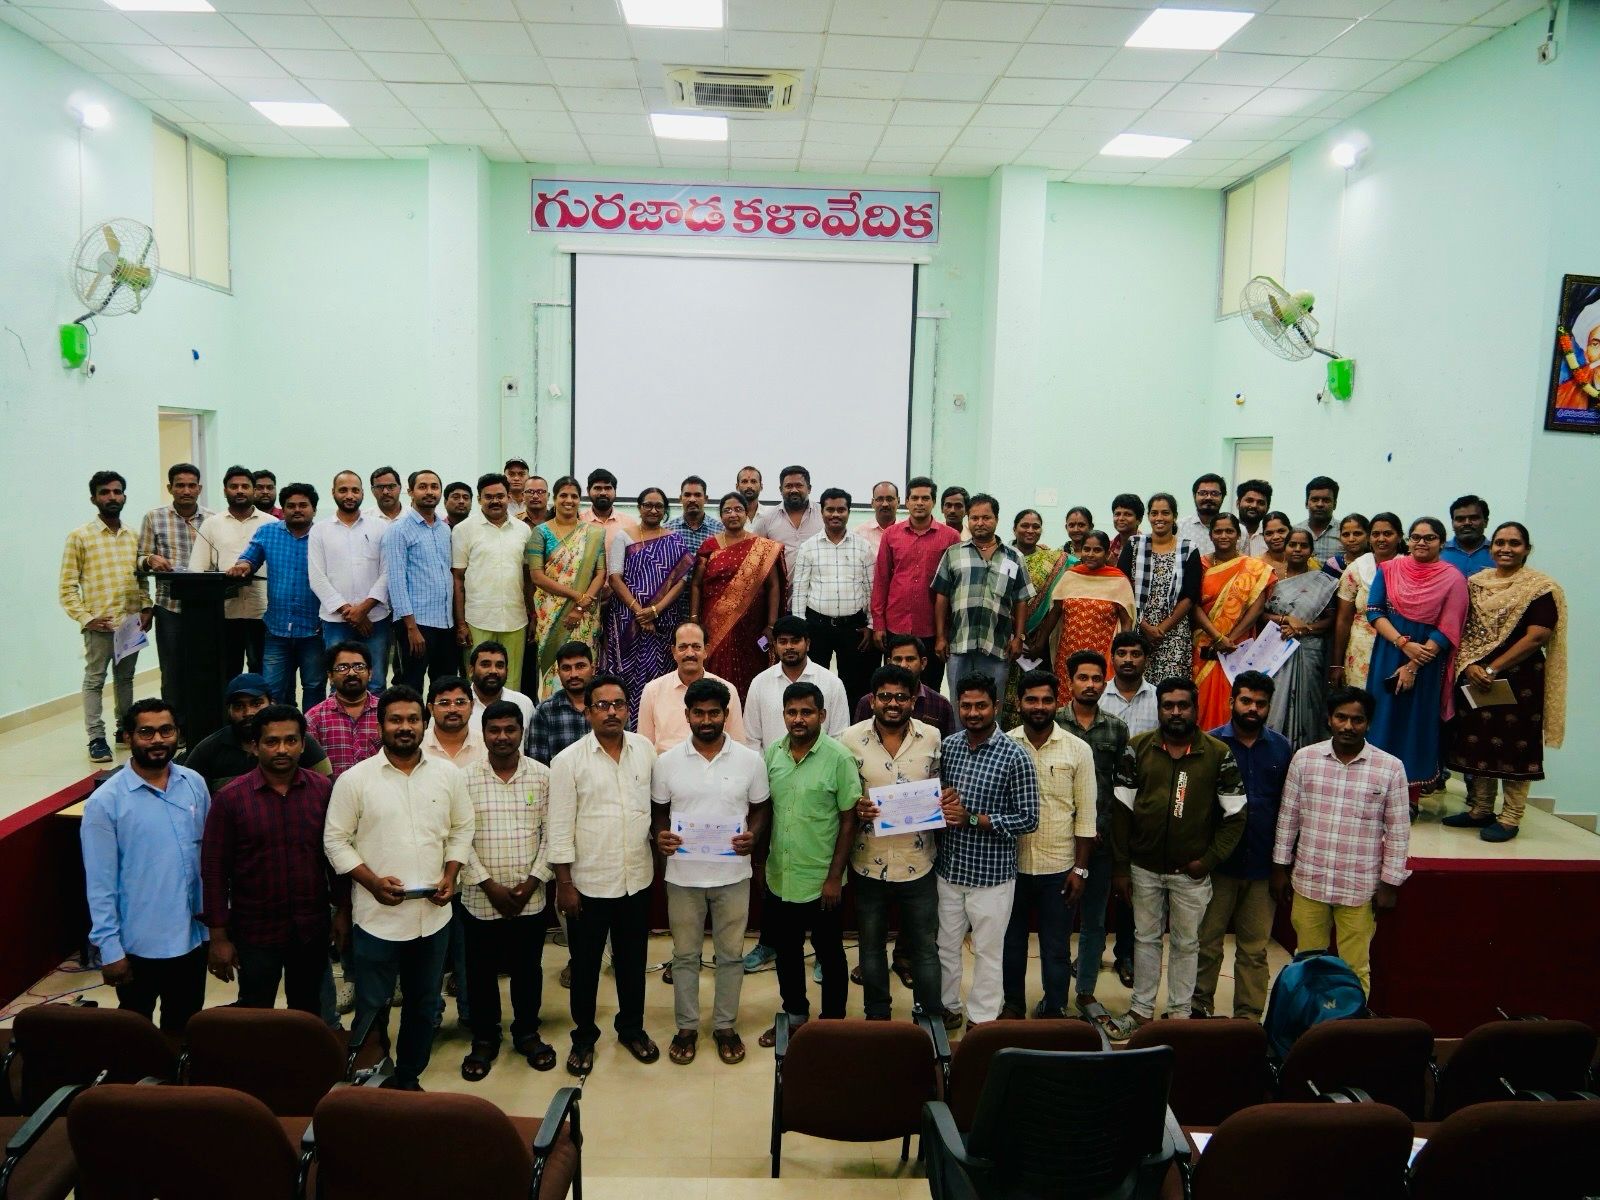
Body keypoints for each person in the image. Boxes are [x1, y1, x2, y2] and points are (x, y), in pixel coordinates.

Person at [325, 684, 474, 1090]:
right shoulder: (355, 780)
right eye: (395, 720)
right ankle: (370, 1079)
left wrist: (451, 874)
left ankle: (408, 1079)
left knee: (424, 1005)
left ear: (424, 724)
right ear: (380, 726)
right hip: (377, 920)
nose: (405, 727)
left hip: (433, 917)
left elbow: (462, 829)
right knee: (372, 1006)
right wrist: (372, 882)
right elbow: (335, 841)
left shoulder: (447, 776)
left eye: (412, 719)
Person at [1108, 677, 1245, 1039]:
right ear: (1159, 709)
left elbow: (1235, 815)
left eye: (1183, 705)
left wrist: (1209, 860)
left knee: (1187, 943)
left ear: (1195, 709)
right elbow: (1120, 811)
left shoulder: (1217, 754)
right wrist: (1121, 867)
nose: (1175, 712)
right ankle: (1140, 1011)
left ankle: (1180, 1016)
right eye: (1168, 705)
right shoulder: (1138, 748)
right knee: (1145, 938)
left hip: (1192, 872)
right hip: (1143, 868)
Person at [651, 677, 769, 1066]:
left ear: (726, 714)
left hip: (732, 876)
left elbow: (761, 808)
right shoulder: (666, 762)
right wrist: (661, 836)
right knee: (684, 955)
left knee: (730, 956)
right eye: (698, 713)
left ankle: (724, 1026)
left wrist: (753, 836)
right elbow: (659, 811)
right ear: (687, 715)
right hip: (683, 877)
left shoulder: (750, 760)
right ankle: (686, 1027)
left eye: (713, 713)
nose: (706, 720)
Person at [548, 674, 660, 1075]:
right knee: (585, 967)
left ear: (628, 709)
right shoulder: (567, 761)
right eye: (602, 705)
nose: (611, 712)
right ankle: (583, 1037)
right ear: (587, 711)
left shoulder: (645, 750)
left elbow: (656, 808)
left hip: (636, 880)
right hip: (587, 885)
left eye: (618, 704)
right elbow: (559, 827)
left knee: (632, 963)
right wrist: (564, 884)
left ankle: (631, 1029)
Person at [80, 698, 210, 1030]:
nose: (157, 740)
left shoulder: (194, 783)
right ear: (128, 737)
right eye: (146, 732)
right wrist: (111, 950)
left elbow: (207, 862)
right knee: (135, 1039)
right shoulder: (105, 803)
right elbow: (100, 886)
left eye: (166, 730)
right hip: (138, 947)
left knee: (184, 1031)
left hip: (192, 940)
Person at [1271, 687, 1410, 996]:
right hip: (1310, 882)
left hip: (1359, 887)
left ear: (1368, 723)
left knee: (1355, 968)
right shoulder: (1305, 760)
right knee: (1307, 964)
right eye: (1341, 717)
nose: (1348, 726)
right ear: (1329, 719)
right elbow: (1288, 817)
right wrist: (1280, 868)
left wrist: (1390, 884)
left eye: (1357, 720)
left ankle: (1351, 1025)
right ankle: (1308, 1021)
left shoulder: (1390, 768)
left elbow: (1398, 832)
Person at [202, 704, 336, 1014]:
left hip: (311, 929)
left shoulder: (322, 790)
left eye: (291, 740)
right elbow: (214, 872)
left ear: (303, 745)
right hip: (256, 933)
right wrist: (219, 938)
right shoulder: (230, 799)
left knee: (307, 1011)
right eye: (272, 741)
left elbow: (334, 858)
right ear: (254, 746)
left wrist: (342, 911)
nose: (282, 749)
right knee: (256, 1014)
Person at [1444, 522, 1567, 842]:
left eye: (1514, 543)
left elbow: (1537, 635)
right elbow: (1462, 627)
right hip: (1475, 676)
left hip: (1519, 678)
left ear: (1527, 549)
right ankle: (1481, 809)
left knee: (1515, 745)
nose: (1506, 549)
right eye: (1500, 543)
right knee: (1478, 740)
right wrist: (1470, 664)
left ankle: (1511, 817)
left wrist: (1492, 667)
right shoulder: (1476, 584)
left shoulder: (1539, 587)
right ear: (1491, 547)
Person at [756, 681, 861, 1047]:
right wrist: (760, 866)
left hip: (821, 881)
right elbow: (766, 812)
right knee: (786, 953)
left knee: (830, 954)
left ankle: (832, 1024)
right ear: (783, 715)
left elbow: (849, 820)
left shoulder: (839, 758)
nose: (798, 719)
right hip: (781, 876)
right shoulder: (773, 754)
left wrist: (834, 877)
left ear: (822, 715)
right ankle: (796, 1016)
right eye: (792, 712)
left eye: (806, 712)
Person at [457, 700, 556, 1081]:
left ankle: (527, 1033)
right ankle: (485, 1038)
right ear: (483, 734)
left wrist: (533, 881)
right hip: (480, 897)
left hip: (530, 896)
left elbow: (552, 834)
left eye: (510, 729)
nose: (502, 737)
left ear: (521, 732)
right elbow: (458, 838)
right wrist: (488, 884)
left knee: (528, 970)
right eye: (494, 730)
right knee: (480, 972)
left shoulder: (542, 777)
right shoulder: (464, 779)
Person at [935, 674, 1039, 1029]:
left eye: (981, 705)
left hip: (992, 876)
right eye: (966, 705)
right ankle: (948, 1007)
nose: (973, 712)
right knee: (945, 946)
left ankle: (982, 1019)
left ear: (996, 707)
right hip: (949, 870)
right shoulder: (949, 747)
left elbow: (1028, 819)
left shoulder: (1015, 755)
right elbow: (939, 798)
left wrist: (974, 819)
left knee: (988, 952)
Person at [843, 664, 943, 1021]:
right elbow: (841, 796)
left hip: (919, 863)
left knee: (925, 949)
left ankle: (930, 1018)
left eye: (902, 697)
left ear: (913, 701)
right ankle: (877, 1019)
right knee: (871, 948)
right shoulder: (848, 739)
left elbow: (940, 786)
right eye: (885, 696)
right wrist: (856, 807)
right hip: (868, 862)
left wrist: (943, 801)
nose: (893, 703)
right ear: (872, 700)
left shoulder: (932, 737)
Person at [1193, 673, 1290, 1021]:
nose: (1253, 709)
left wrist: (1281, 867)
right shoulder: (1209, 744)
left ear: (1268, 707)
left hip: (1263, 867)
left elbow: (1287, 808)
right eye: (1246, 701)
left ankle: (1248, 1019)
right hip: (1218, 866)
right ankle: (1198, 1009)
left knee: (1254, 949)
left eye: (1260, 704)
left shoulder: (1281, 748)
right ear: (1231, 702)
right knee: (1206, 943)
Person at [1002, 671, 1095, 1019]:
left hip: (1059, 868)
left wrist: (1080, 869)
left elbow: (1086, 816)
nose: (1039, 707)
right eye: (1031, 699)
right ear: (1019, 703)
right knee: (1011, 944)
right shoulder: (1004, 746)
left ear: (1058, 702)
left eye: (1046, 700)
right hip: (1010, 868)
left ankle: (1054, 1009)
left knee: (1056, 948)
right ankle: (1013, 1005)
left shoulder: (1078, 750)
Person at [1365, 517, 1470, 809]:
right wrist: (1403, 643)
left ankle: (1409, 799)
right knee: (1382, 719)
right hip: (1389, 652)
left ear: (1442, 542)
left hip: (1427, 662)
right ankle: (1374, 793)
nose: (1422, 542)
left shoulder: (1453, 579)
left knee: (1414, 725)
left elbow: (1449, 626)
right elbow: (1374, 611)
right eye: (1416, 537)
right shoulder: (1389, 569)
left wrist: (1413, 664)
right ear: (1408, 540)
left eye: (1430, 537)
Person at [1054, 651, 1137, 1007]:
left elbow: (1122, 788)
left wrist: (1100, 830)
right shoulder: (1053, 723)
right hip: (1059, 842)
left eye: (1096, 679)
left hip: (1101, 843)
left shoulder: (1116, 728)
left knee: (1094, 923)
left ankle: (1085, 993)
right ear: (1069, 682)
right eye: (1082, 678)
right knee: (1058, 924)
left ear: (1105, 683)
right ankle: (1055, 995)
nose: (1090, 685)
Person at [60, 470, 152, 763]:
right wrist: (86, 618)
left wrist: (146, 608)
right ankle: (96, 738)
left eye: (117, 492)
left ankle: (124, 730)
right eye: (104, 492)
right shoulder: (80, 537)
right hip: (99, 624)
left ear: (124, 496)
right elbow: (67, 586)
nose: (112, 497)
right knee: (95, 680)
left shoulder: (133, 536)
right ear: (94, 498)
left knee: (125, 679)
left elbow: (141, 578)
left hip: (130, 622)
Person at [229, 482, 325, 709]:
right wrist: (243, 566)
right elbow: (249, 558)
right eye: (291, 506)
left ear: (314, 509)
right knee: (272, 689)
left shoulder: (323, 535)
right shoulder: (268, 532)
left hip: (314, 629)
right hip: (276, 629)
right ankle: (277, 728)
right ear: (283, 509)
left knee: (314, 686)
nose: (297, 510)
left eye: (303, 505)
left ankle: (310, 729)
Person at [602, 486, 694, 721]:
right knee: (626, 676)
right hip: (626, 620)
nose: (653, 510)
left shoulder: (674, 539)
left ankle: (658, 724)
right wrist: (639, 611)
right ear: (639, 508)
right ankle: (625, 725)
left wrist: (655, 610)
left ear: (665, 510)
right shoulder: (623, 536)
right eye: (648, 505)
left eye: (659, 506)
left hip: (663, 621)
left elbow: (681, 581)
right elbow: (614, 577)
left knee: (660, 676)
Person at [933, 494, 1034, 702]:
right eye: (974, 518)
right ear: (968, 520)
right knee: (959, 703)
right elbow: (942, 596)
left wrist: (1018, 638)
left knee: (993, 704)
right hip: (959, 643)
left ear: (996, 519)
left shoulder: (1013, 557)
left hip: (997, 645)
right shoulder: (953, 553)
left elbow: (1021, 600)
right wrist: (941, 637)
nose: (980, 523)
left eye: (986, 518)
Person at [137, 462, 212, 734]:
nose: (186, 490)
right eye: (180, 485)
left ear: (199, 488)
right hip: (169, 607)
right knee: (172, 671)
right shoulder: (154, 518)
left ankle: (200, 725)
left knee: (203, 668)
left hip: (205, 607)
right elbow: (139, 560)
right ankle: (174, 728)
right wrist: (150, 559)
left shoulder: (212, 519)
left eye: (191, 485)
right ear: (170, 488)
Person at [689, 493, 784, 699]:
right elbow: (695, 584)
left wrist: (771, 625)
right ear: (721, 515)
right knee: (715, 671)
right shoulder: (709, 546)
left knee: (752, 674)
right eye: (727, 510)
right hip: (714, 623)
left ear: (747, 513)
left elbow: (774, 586)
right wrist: (694, 619)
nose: (733, 514)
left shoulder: (763, 547)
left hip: (752, 625)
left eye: (738, 509)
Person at [872, 477, 961, 691]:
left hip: (932, 628)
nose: (920, 503)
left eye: (925, 498)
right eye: (915, 498)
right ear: (907, 502)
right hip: (896, 624)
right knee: (895, 685)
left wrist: (945, 633)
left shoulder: (951, 537)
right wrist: (879, 623)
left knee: (930, 687)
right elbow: (882, 580)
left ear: (933, 502)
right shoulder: (891, 534)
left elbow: (955, 587)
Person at [791, 487, 876, 709]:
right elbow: (800, 591)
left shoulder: (863, 546)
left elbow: (871, 588)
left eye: (841, 510)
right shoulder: (809, 547)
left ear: (849, 512)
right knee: (815, 681)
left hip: (853, 628)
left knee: (853, 684)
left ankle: (850, 725)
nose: (835, 514)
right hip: (817, 626)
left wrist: (871, 625)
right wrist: (801, 629)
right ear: (822, 512)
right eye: (830, 510)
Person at [308, 470, 390, 693]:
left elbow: (388, 573)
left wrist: (364, 609)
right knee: (339, 683)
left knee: (376, 682)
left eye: (355, 490)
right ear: (333, 492)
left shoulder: (380, 527)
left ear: (363, 493)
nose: (349, 495)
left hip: (375, 619)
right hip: (336, 621)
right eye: (343, 490)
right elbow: (317, 577)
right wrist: (350, 612)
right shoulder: (320, 530)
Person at [1191, 513, 1273, 730]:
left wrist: (1230, 639)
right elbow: (1192, 604)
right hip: (1205, 644)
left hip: (1237, 647)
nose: (1224, 536)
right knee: (1201, 700)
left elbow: (1257, 607)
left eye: (1229, 531)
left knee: (1235, 697)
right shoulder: (1199, 564)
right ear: (1210, 535)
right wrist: (1217, 637)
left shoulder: (1253, 567)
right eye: (1218, 531)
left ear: (1238, 535)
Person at [181, 672, 332, 790]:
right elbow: (188, 797)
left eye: (256, 703)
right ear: (229, 711)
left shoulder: (297, 741)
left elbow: (328, 789)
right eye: (239, 706)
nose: (248, 713)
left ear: (272, 703)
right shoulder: (208, 751)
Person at [1033, 529, 1134, 705]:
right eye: (1087, 549)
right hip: (1068, 654)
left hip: (1102, 655)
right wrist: (1039, 644)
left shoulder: (1118, 581)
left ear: (1107, 553)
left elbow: (1127, 621)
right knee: (1066, 701)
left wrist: (1123, 654)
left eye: (1097, 550)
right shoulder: (1070, 577)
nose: (1091, 554)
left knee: (1097, 700)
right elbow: (1055, 613)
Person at [528, 476, 607, 698]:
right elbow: (537, 576)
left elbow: (601, 573)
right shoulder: (541, 532)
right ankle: (552, 706)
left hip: (585, 613)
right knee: (553, 663)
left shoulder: (594, 533)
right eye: (563, 495)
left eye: (574, 496)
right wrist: (576, 596)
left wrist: (580, 606)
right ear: (554, 499)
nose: (569, 500)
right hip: (551, 613)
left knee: (583, 663)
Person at [192, 466, 274, 676]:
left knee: (262, 671)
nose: (239, 491)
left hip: (264, 612)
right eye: (234, 486)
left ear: (254, 490)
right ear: (225, 490)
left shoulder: (272, 524)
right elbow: (197, 570)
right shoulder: (211, 524)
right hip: (225, 613)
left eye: (245, 486)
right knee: (227, 672)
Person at [452, 473, 533, 685]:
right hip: (478, 620)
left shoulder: (523, 530)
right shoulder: (463, 530)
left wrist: (532, 615)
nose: (495, 501)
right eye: (488, 497)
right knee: (477, 682)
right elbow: (458, 579)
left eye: (500, 496)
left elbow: (528, 577)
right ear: (479, 499)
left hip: (515, 619)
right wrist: (461, 624)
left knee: (511, 683)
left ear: (509, 497)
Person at [1263, 529, 1339, 750]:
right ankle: (1273, 752)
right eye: (1292, 545)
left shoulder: (1324, 582)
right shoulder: (1271, 578)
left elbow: (1330, 619)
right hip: (1276, 649)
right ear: (1285, 547)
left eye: (1303, 546)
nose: (1297, 549)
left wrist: (1304, 629)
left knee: (1308, 702)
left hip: (1309, 650)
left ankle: (1304, 753)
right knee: (1273, 701)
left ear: (1311, 551)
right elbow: (1259, 614)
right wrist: (1286, 619)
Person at [384, 470, 458, 693]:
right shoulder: (399, 529)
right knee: (411, 686)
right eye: (423, 487)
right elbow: (396, 581)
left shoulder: (444, 529)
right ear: (410, 492)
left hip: (445, 623)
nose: (429, 492)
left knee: (444, 687)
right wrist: (411, 628)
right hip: (416, 624)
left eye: (434, 487)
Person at [1118, 493, 1200, 683]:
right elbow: (1121, 588)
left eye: (1165, 513)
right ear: (1148, 516)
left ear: (1175, 516)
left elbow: (1190, 596)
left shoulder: (1188, 549)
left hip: (1174, 633)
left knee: (1172, 690)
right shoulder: (1134, 544)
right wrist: (1145, 626)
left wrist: (1161, 629)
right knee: (1135, 686)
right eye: (1154, 513)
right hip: (1137, 631)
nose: (1159, 518)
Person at [637, 622, 748, 751]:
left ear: (706, 651)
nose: (690, 653)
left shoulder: (727, 690)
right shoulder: (652, 690)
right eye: (683, 647)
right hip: (666, 763)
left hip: (714, 762)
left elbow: (737, 744)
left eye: (696, 647)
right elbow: (643, 747)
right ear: (674, 651)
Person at [744, 614, 850, 750]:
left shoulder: (832, 683)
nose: (789, 647)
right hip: (770, 764)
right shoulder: (759, 683)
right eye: (783, 642)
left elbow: (839, 737)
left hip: (822, 763)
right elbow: (751, 739)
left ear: (808, 644)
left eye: (795, 641)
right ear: (775, 645)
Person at [1000, 509, 1065, 729]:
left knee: (1036, 692)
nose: (1030, 530)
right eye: (1024, 526)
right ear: (1014, 529)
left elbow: (1058, 601)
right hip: (1005, 637)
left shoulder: (1054, 559)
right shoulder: (1003, 556)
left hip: (1039, 642)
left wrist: (1041, 639)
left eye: (1036, 526)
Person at [1330, 512, 1403, 691]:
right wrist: (1337, 664)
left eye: (1388, 534)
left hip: (1398, 647)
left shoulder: (1409, 568)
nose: (1381, 539)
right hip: (1360, 650)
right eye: (1376, 534)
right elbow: (1343, 619)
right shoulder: (1356, 569)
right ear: (1370, 538)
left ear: (1400, 537)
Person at [852, 634, 957, 735]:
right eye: (898, 659)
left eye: (910, 659)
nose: (903, 665)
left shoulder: (941, 704)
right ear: (888, 662)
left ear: (923, 663)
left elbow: (949, 745)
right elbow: (856, 741)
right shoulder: (868, 703)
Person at [306, 642, 382, 778]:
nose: (352, 673)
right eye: (342, 668)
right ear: (330, 676)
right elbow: (310, 772)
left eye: (359, 667)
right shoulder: (314, 718)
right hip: (331, 790)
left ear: (370, 673)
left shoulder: (385, 712)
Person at [526, 641, 594, 765]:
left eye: (580, 666)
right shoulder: (545, 711)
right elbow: (539, 766)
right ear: (558, 673)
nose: (574, 674)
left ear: (593, 669)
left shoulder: (609, 706)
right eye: (566, 668)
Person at [754, 465, 824, 577]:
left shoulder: (823, 515)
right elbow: (756, 559)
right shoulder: (766, 519)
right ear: (780, 490)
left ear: (809, 488)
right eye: (788, 486)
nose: (794, 490)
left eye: (799, 485)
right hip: (781, 588)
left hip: (818, 586)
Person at [465, 641, 534, 732]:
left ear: (507, 671)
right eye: (485, 665)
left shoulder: (523, 704)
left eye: (499, 666)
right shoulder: (458, 705)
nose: (493, 671)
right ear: (471, 670)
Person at [420, 676, 486, 769]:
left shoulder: (486, 745)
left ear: (471, 706)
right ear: (431, 709)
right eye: (444, 703)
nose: (453, 709)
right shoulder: (418, 745)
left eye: (460, 702)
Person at [1101, 631, 1159, 737]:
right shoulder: (1099, 696)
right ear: (1112, 659)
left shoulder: (1158, 697)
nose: (1128, 660)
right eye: (1121, 654)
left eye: (1135, 654)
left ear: (1146, 660)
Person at [579, 467, 638, 554]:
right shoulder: (579, 520)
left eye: (608, 488)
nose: (603, 493)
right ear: (588, 491)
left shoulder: (629, 523)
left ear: (615, 491)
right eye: (597, 488)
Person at [663, 474, 723, 555]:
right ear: (680, 499)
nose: (692, 499)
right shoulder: (667, 530)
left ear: (706, 499)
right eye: (687, 495)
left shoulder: (720, 530)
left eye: (697, 495)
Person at [1441, 495, 1493, 577]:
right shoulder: (1438, 552)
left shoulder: (1498, 553)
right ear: (1452, 523)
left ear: (1486, 522)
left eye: (1474, 518)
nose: (1467, 523)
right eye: (1460, 519)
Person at [1176, 473, 1226, 557]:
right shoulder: (1179, 528)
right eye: (1203, 493)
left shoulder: (1238, 531)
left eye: (1214, 493)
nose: (1208, 497)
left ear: (1223, 497)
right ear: (1194, 496)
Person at [1296, 476, 1341, 562]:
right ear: (1306, 503)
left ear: (1335, 504)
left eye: (1326, 500)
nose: (1320, 504)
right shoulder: (1294, 531)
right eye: (1315, 500)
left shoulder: (1345, 533)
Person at [856, 480, 899, 559]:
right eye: (880, 499)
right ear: (872, 503)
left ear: (898, 501)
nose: (885, 504)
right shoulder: (859, 534)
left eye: (889, 499)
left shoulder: (907, 531)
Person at [1320, 513, 1371, 580]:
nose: (1351, 539)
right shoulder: (1332, 565)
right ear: (1340, 538)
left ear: (1368, 536)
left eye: (1357, 534)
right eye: (1346, 535)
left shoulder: (1375, 564)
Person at [1235, 480, 1272, 557]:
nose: (1254, 505)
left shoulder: (1271, 538)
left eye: (1260, 503)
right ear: (1238, 503)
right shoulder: (1224, 534)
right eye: (1249, 500)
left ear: (1267, 508)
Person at [1107, 493, 1144, 564]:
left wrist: (1114, 566)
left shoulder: (1147, 547)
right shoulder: (1108, 547)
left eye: (1127, 514)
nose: (1121, 518)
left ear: (1139, 520)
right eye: (1117, 514)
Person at [1257, 510, 1295, 579]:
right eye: (1269, 533)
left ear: (1291, 532)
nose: (1275, 537)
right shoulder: (1255, 565)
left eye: (1281, 531)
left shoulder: (1306, 561)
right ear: (1263, 537)